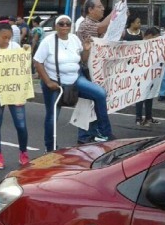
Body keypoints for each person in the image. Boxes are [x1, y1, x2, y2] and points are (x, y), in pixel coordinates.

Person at [34, 15, 113, 151]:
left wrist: (87, 50)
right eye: (61, 24)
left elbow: (82, 60)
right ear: (56, 26)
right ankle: (50, 147)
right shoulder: (48, 41)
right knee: (52, 117)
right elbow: (37, 62)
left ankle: (105, 133)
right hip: (55, 83)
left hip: (75, 79)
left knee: (100, 94)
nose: (64, 26)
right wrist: (48, 82)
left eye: (67, 24)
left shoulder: (74, 39)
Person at [0, 23, 29, 169]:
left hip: (14, 87)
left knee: (21, 124)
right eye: (4, 37)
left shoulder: (15, 47)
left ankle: (23, 152)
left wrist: (26, 54)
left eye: (9, 37)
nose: (7, 41)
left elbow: (23, 67)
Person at [76, 0, 114, 143]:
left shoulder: (96, 23)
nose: (103, 8)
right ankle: (100, 132)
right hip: (88, 71)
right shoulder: (86, 25)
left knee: (91, 103)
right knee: (92, 100)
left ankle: (87, 135)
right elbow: (101, 29)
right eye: (99, 6)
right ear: (90, 10)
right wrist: (116, 13)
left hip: (98, 70)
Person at [121, 13, 146, 125]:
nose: (139, 24)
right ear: (131, 23)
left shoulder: (142, 34)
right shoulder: (124, 33)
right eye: (138, 22)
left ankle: (139, 117)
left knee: (139, 91)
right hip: (126, 66)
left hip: (139, 66)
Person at [134, 27, 162, 126]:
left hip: (151, 74)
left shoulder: (154, 45)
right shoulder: (140, 45)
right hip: (141, 74)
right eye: (155, 37)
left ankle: (148, 117)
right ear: (149, 35)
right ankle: (138, 118)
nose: (157, 39)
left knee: (150, 96)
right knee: (141, 96)